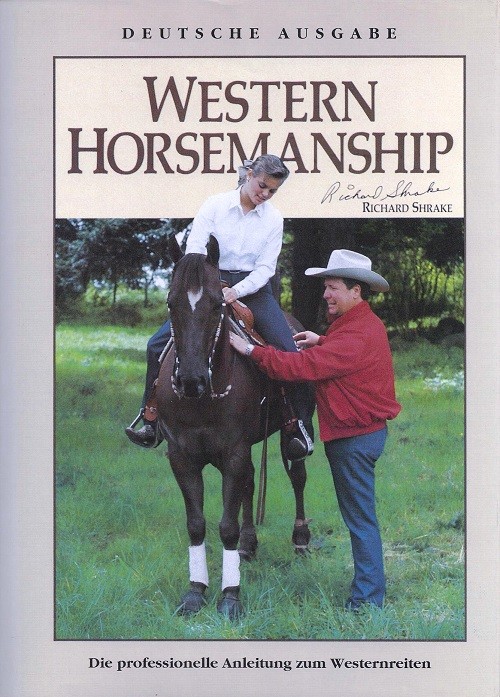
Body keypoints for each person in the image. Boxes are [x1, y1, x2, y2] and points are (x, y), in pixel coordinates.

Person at [229, 249, 402, 610]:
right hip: (359, 434)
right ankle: (369, 593)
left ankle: (368, 602)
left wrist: (249, 350)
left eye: (334, 287)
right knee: (360, 517)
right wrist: (321, 341)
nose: (326, 294)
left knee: (360, 521)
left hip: (354, 440)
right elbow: (342, 354)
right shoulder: (362, 325)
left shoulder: (357, 333)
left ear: (357, 291)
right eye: (325, 287)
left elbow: (299, 369)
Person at [125, 154, 314, 460]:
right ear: (249, 174)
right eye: (262, 185)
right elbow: (196, 248)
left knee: (291, 354)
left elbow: (266, 268)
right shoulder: (214, 205)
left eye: (272, 191)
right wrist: (211, 285)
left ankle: (298, 427)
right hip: (207, 282)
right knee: (155, 345)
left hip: (252, 290)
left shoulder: (273, 219)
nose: (265, 194)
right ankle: (150, 417)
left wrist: (235, 291)